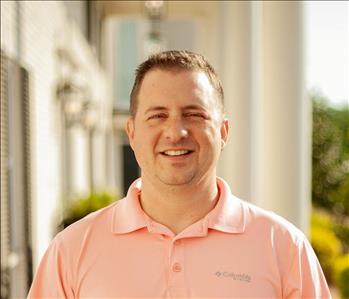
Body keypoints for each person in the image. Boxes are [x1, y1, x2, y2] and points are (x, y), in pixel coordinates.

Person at [28, 50, 331, 298]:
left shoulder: (283, 247)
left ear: (223, 132)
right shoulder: (71, 250)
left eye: (194, 114)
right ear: (131, 133)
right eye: (158, 115)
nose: (175, 132)